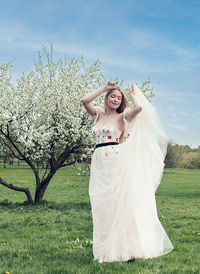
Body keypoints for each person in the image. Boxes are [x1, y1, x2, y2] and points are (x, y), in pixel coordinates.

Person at [81, 81, 173, 263]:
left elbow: (138, 109)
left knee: (118, 205)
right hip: (99, 165)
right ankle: (106, 251)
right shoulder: (98, 114)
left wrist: (132, 97)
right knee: (101, 208)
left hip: (116, 162)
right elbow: (85, 100)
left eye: (118, 97)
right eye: (112, 96)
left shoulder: (123, 116)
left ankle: (126, 250)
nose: (115, 100)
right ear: (107, 98)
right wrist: (105, 88)